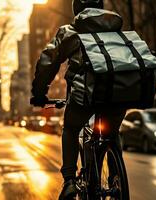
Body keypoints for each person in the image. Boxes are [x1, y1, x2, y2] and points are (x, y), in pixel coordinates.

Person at [30, 0, 126, 199]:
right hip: (117, 93)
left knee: (71, 128)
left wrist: (39, 93)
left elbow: (48, 61)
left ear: (76, 9)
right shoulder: (116, 28)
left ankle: (69, 182)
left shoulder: (70, 31)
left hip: (85, 95)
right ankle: (117, 180)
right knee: (112, 132)